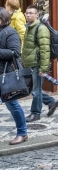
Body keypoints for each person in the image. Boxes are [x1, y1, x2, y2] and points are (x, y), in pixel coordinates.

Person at [22, 5, 58, 122]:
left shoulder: (41, 28)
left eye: (31, 13)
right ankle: (51, 102)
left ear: (37, 15)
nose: (28, 15)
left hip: (37, 64)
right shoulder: (29, 27)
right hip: (30, 63)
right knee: (33, 89)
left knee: (36, 91)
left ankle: (35, 113)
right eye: (27, 13)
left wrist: (43, 69)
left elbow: (45, 50)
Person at [0, 8, 28, 145]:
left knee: (12, 105)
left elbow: (14, 52)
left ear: (3, 18)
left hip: (7, 75)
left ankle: (22, 133)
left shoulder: (11, 32)